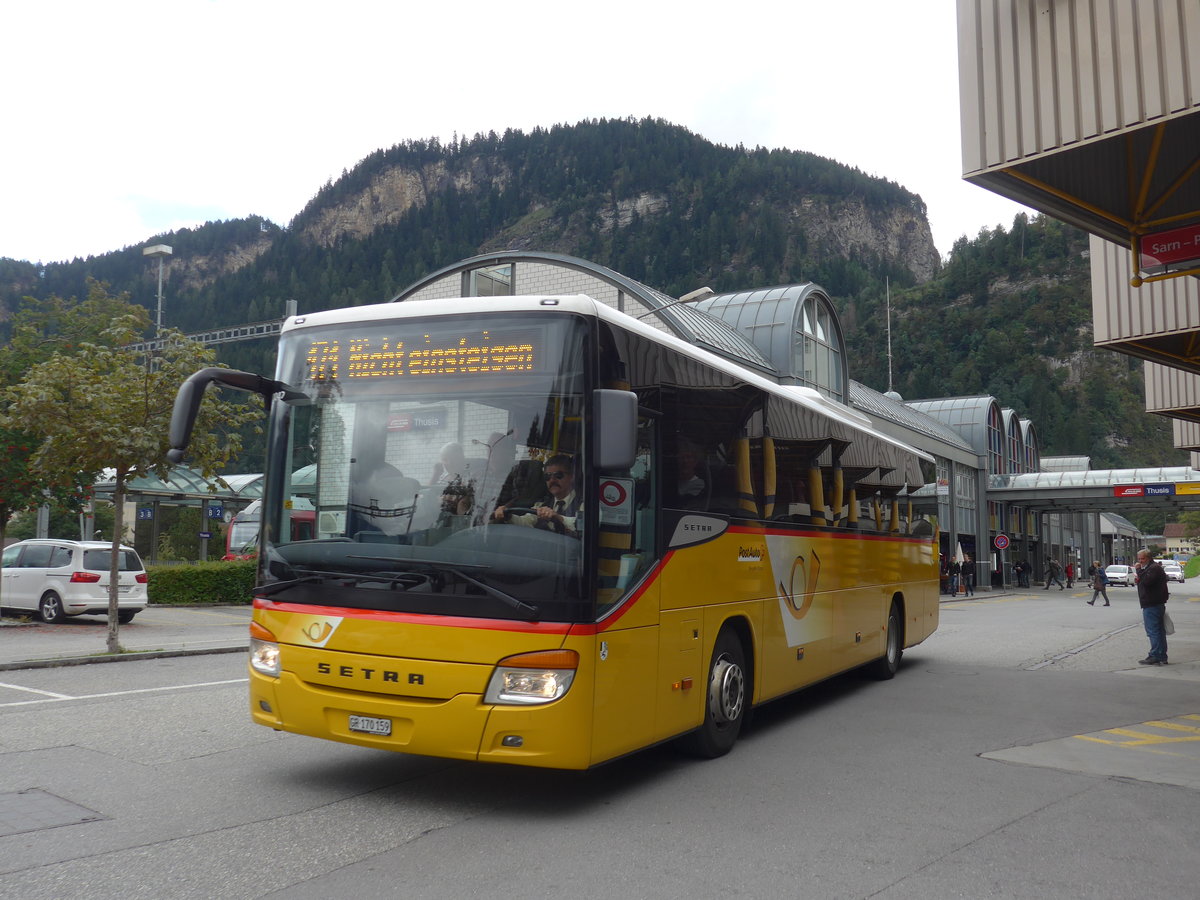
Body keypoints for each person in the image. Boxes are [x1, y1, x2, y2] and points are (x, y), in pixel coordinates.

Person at [493, 454, 582, 536]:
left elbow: (584, 525)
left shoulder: (583, 503)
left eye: (558, 475)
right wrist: (508, 515)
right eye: (547, 476)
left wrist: (558, 518)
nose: (552, 480)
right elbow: (525, 521)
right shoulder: (542, 504)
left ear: (571, 477)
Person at [1134, 549, 1169, 665]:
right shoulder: (1152, 568)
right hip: (1155, 603)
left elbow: (1147, 582)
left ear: (1148, 558)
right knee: (1159, 631)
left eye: (1142, 559)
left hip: (1152, 603)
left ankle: (1155, 655)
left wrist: (1138, 570)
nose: (1140, 561)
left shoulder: (1153, 568)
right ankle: (1162, 655)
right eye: (1139, 559)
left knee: (1153, 631)